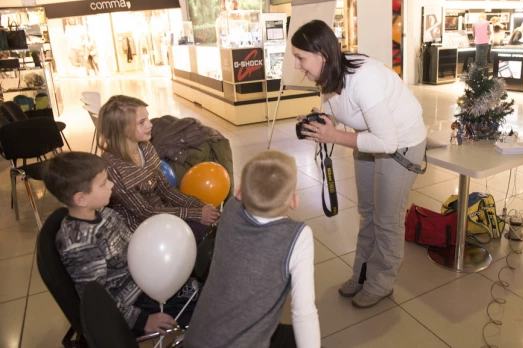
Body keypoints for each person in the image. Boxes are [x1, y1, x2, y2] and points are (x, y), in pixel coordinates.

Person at [292, 20, 427, 309]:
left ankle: (381, 283)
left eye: (300, 58)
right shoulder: (331, 74)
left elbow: (387, 142)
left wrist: (334, 135)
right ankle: (362, 274)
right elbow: (334, 109)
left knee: (386, 218)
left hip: (400, 143)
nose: (297, 66)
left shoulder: (364, 79)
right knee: (368, 213)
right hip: (370, 137)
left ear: (322, 55)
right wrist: (322, 122)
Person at [43, 152, 199, 335]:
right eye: (103, 183)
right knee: (208, 298)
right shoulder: (80, 244)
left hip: (146, 279)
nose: (111, 184)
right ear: (81, 199)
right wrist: (142, 320)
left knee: (204, 277)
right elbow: (98, 301)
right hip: (135, 301)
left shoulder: (105, 213)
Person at [185, 150, 320, 348]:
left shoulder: (230, 209)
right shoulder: (298, 236)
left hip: (197, 338)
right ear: (294, 201)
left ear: (239, 191)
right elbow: (303, 313)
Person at [97, 95, 219, 241]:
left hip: (165, 215)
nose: (150, 124)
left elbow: (165, 189)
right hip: (141, 230)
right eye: (141, 122)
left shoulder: (146, 148)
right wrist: (197, 214)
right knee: (208, 235)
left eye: (147, 118)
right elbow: (144, 212)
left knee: (215, 225)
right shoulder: (112, 166)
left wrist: (201, 205)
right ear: (121, 129)